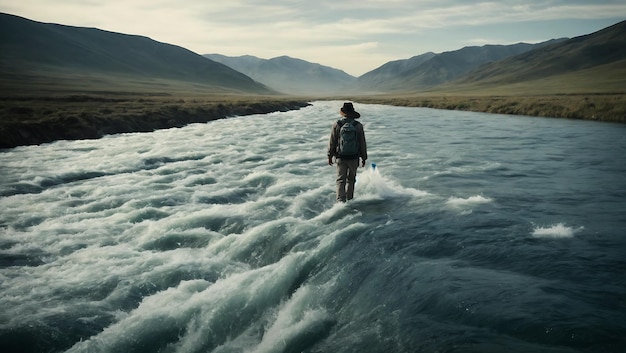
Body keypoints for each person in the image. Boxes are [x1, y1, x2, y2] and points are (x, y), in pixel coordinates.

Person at [327, 102, 368, 202]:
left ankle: (340, 201)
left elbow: (332, 141)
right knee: (351, 180)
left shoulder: (337, 124)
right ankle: (350, 199)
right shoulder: (358, 126)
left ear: (343, 112)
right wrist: (363, 157)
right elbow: (362, 142)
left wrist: (330, 155)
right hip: (354, 157)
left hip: (341, 157)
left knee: (341, 180)